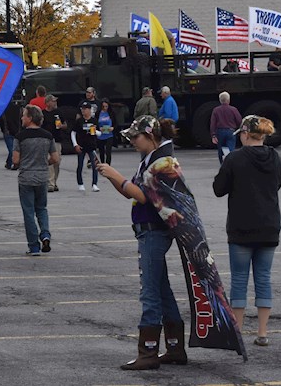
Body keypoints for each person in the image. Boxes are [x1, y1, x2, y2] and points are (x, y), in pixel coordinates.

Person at [96, 116, 186, 371]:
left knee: (150, 292)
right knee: (162, 289)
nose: (133, 142)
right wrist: (111, 177)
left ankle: (148, 352)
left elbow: (144, 197)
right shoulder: (152, 159)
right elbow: (130, 192)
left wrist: (116, 174)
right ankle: (175, 348)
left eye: (136, 137)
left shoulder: (162, 161)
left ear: (151, 136)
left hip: (154, 232)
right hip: (151, 231)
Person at [213, 115, 281, 349]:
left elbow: (218, 189)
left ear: (245, 134)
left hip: (241, 227)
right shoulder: (276, 158)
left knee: (239, 280)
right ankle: (263, 332)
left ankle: (238, 330)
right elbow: (277, 183)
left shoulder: (234, 159)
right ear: (263, 135)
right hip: (269, 226)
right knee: (263, 278)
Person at [12, 105, 60, 255]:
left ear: (30, 118)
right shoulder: (48, 136)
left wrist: (24, 162)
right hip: (42, 177)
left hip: (26, 178)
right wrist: (43, 162)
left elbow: (15, 160)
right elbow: (55, 158)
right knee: (42, 209)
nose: (22, 118)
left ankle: (34, 246)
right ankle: (45, 234)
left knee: (28, 212)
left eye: (24, 115)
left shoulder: (20, 137)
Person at [71, 101, 100, 192]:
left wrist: (95, 131)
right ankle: (80, 184)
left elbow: (100, 133)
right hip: (81, 146)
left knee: (95, 165)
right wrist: (75, 144)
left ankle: (94, 184)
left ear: (89, 110)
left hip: (91, 146)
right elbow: (73, 132)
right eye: (82, 109)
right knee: (80, 165)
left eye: (85, 109)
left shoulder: (94, 120)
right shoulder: (79, 121)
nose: (84, 111)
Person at [210, 92, 243, 165]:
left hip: (220, 132)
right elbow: (239, 120)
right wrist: (240, 129)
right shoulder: (233, 109)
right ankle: (230, 164)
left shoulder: (216, 110)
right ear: (229, 100)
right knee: (230, 149)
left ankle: (223, 165)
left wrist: (213, 135)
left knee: (221, 150)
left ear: (220, 100)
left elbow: (213, 123)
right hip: (231, 131)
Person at [41, 95, 66, 191]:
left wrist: (61, 126)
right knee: (50, 160)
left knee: (57, 161)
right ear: (47, 103)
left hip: (57, 139)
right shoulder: (43, 113)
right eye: (53, 101)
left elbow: (65, 125)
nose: (55, 103)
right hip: (47, 140)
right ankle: (50, 183)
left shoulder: (58, 112)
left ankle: (55, 181)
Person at [1, 102, 23, 170]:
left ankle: (10, 163)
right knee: (13, 149)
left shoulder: (3, 109)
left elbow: (2, 121)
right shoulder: (18, 109)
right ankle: (13, 163)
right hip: (14, 131)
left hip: (8, 132)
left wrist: (4, 130)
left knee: (12, 149)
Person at [96, 98, 117, 166]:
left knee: (108, 151)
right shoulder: (98, 113)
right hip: (101, 135)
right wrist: (99, 128)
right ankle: (102, 164)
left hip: (109, 134)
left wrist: (113, 128)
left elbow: (116, 123)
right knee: (101, 151)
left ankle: (108, 165)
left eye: (106, 106)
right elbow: (95, 123)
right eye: (103, 107)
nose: (105, 108)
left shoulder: (111, 113)